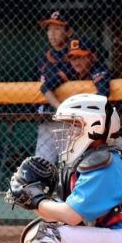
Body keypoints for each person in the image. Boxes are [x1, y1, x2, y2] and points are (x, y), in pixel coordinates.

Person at [3, 94, 122, 243]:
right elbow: (71, 219)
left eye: (75, 126)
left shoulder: (104, 163)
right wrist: (39, 200)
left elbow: (70, 216)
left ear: (95, 127)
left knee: (43, 234)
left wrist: (37, 199)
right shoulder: (98, 159)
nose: (69, 132)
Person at [35, 11, 75, 163]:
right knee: (42, 166)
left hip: (71, 120)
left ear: (69, 32)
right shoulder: (42, 58)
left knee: (72, 167)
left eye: (57, 29)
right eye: (49, 29)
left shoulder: (76, 57)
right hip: (47, 119)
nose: (51, 34)